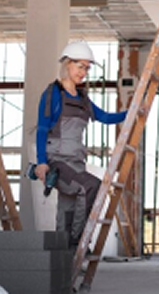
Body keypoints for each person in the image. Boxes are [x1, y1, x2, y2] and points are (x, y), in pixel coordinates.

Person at [34, 40, 127, 246]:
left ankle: (64, 258)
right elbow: (42, 129)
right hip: (57, 161)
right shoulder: (53, 94)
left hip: (76, 162)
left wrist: (131, 114)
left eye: (87, 68)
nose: (84, 72)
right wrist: (42, 162)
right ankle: (79, 242)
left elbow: (105, 117)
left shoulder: (83, 98)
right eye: (80, 66)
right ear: (67, 63)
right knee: (91, 186)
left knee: (66, 211)